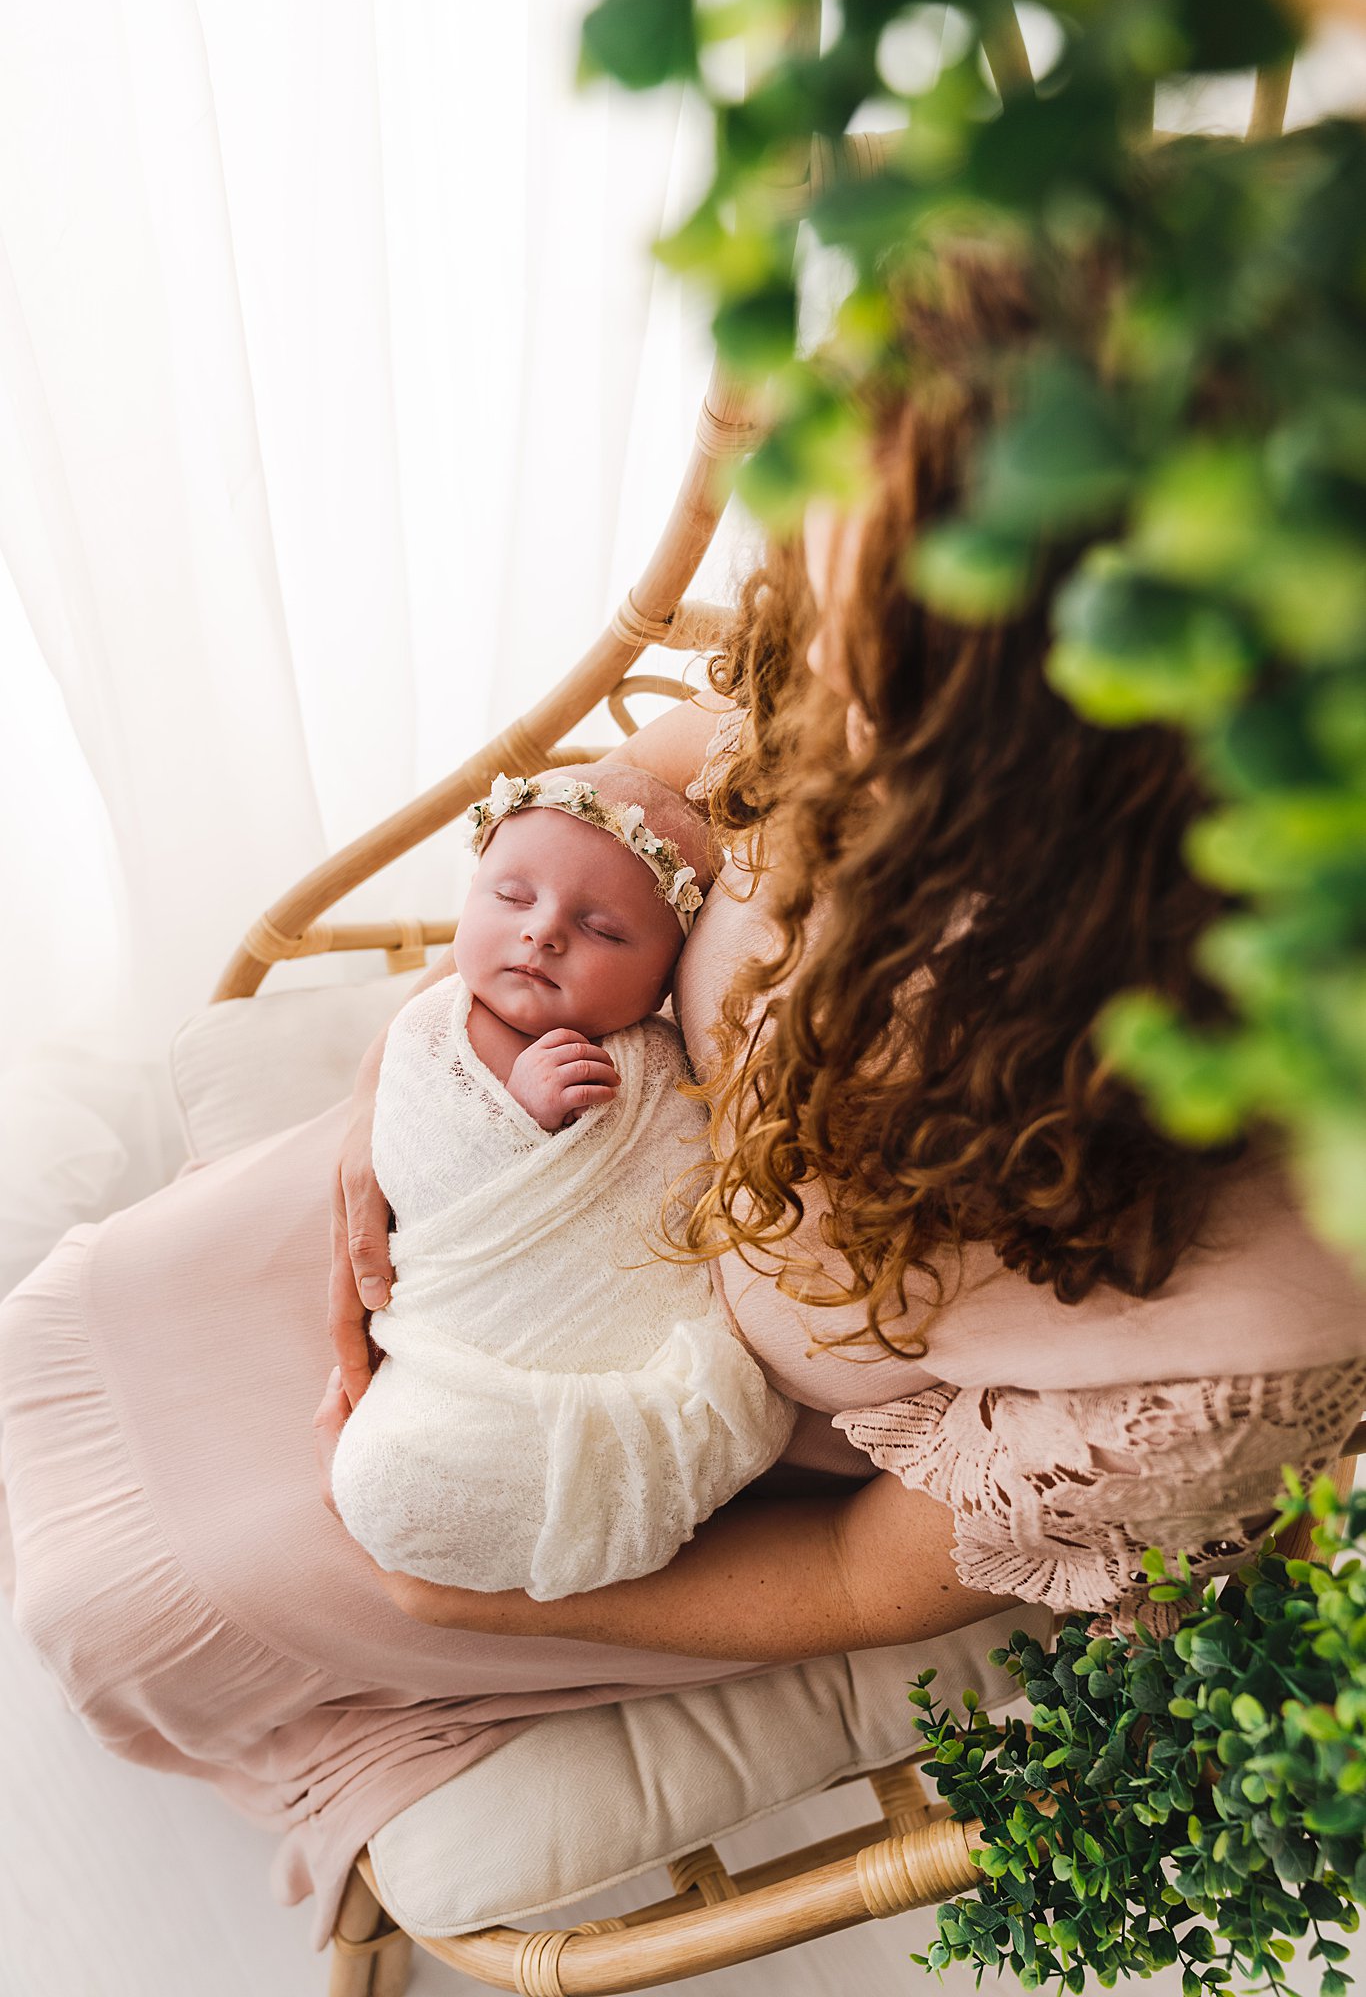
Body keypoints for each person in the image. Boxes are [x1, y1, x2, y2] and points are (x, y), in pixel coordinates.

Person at [3, 241, 1364, 1955]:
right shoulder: (868, 679)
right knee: (73, 1333)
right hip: (522, 1153)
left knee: (142, 1593)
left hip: (647, 1442)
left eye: (874, 673)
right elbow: (651, 779)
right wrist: (410, 1070)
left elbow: (875, 1573)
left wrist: (478, 1580)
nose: (808, 677)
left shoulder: (1238, 1334)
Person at [328, 762, 792, 1598]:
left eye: (605, 931)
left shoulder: (654, 1058)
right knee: (384, 1477)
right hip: (462, 1320)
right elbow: (425, 1167)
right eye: (511, 897)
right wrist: (514, 1121)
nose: (543, 934)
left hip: (588, 1331)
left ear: (667, 980)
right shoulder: (429, 1032)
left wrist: (552, 1114)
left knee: (400, 1473)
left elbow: (679, 1177)